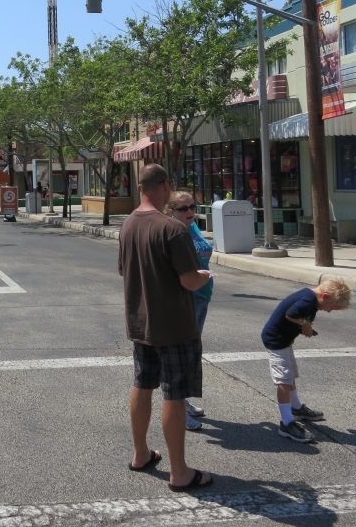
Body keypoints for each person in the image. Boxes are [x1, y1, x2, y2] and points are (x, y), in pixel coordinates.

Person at [119, 164, 215, 492]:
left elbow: (124, 271)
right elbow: (188, 280)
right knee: (174, 394)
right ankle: (179, 472)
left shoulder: (128, 225)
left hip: (140, 323)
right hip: (174, 325)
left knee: (142, 385)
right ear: (164, 187)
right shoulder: (173, 229)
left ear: (139, 188)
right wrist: (203, 276)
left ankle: (140, 454)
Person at [261, 279, 351, 443]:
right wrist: (305, 323)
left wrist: (304, 326)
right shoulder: (308, 300)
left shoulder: (310, 298)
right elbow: (291, 314)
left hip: (284, 340)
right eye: (331, 307)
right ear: (325, 296)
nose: (329, 311)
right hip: (276, 340)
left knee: (290, 375)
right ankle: (286, 423)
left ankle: (296, 409)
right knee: (284, 380)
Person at [167, 191, 213, 431]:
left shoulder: (192, 227)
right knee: (181, 355)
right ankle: (177, 411)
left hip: (203, 296)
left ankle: (182, 402)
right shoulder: (173, 231)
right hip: (187, 298)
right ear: (171, 210)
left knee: (192, 353)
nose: (189, 212)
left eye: (192, 207)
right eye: (183, 208)